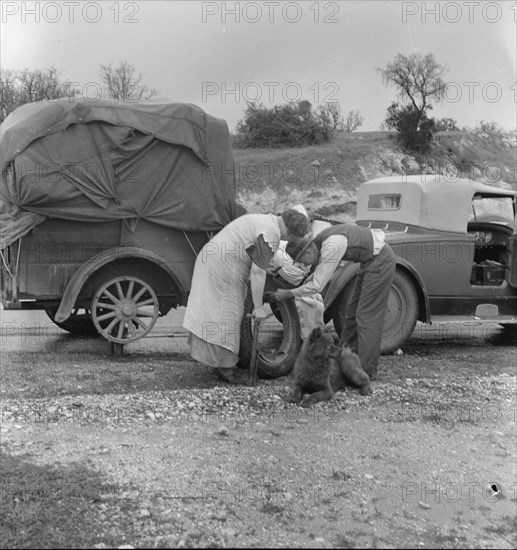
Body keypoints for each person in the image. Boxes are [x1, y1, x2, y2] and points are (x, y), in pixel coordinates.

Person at [183, 208, 309, 384]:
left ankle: (219, 363)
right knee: (228, 315)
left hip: (212, 259)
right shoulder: (271, 233)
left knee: (214, 312)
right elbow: (258, 272)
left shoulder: (265, 220)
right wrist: (258, 308)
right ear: (291, 232)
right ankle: (226, 370)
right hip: (223, 267)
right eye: (293, 239)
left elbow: (253, 253)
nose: (289, 242)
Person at [273, 223, 396, 379]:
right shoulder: (321, 242)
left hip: (380, 263)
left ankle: (366, 371)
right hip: (368, 264)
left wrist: (289, 293)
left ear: (310, 250)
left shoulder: (331, 246)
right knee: (351, 314)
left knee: (366, 317)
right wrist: (302, 286)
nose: (305, 265)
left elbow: (317, 285)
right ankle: (345, 360)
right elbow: (319, 273)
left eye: (303, 261)